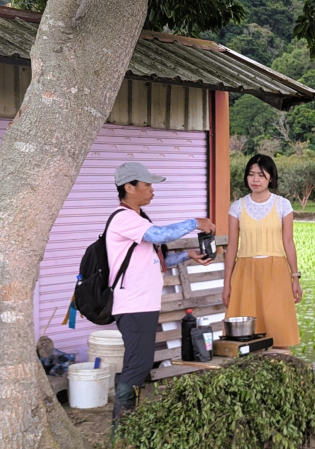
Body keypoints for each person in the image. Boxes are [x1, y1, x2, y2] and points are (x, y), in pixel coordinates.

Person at [108, 162, 215, 424]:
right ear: (129, 188)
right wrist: (194, 222)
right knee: (137, 366)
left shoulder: (138, 219)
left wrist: (186, 255)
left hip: (143, 305)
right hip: (133, 306)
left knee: (140, 364)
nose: (152, 191)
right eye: (147, 185)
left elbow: (154, 259)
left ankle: (129, 421)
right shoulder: (124, 218)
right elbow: (159, 235)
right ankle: (122, 426)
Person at [222, 155, 302, 351]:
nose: (255, 180)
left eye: (260, 175)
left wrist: (295, 277)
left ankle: (281, 372)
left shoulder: (283, 205)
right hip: (245, 272)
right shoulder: (237, 207)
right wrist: (226, 283)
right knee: (247, 332)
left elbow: (288, 242)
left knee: (278, 327)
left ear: (271, 178)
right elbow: (232, 246)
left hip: (276, 272)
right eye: (251, 174)